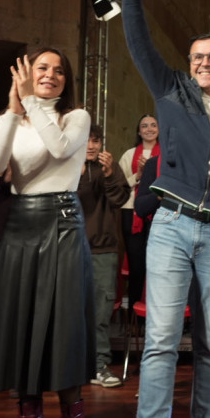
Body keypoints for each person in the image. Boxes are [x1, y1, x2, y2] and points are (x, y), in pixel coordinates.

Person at [122, 0, 210, 418]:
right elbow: (139, 44)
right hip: (172, 227)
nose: (203, 63)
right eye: (196, 56)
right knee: (160, 339)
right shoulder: (171, 91)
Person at [0, 49, 93, 418]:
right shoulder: (10, 120)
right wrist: (13, 111)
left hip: (62, 221)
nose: (50, 75)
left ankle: (72, 406)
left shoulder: (76, 116)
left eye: (59, 71)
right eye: (42, 68)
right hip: (21, 221)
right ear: (25, 73)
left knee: (63, 318)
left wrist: (29, 100)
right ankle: (29, 408)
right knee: (22, 318)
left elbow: (59, 149)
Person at [78, 123, 130, 388]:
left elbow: (119, 199)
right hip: (69, 249)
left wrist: (109, 175)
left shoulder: (108, 167)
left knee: (100, 313)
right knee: (68, 311)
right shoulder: (66, 166)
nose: (91, 145)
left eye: (96, 141)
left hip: (103, 249)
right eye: (86, 140)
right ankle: (68, 367)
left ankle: (99, 365)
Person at [118, 114, 159, 310]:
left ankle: (154, 311)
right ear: (138, 131)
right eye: (144, 126)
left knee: (157, 266)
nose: (149, 128)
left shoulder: (167, 153)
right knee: (137, 265)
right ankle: (135, 313)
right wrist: (140, 175)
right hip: (131, 212)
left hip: (159, 213)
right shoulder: (129, 154)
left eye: (153, 125)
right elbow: (120, 185)